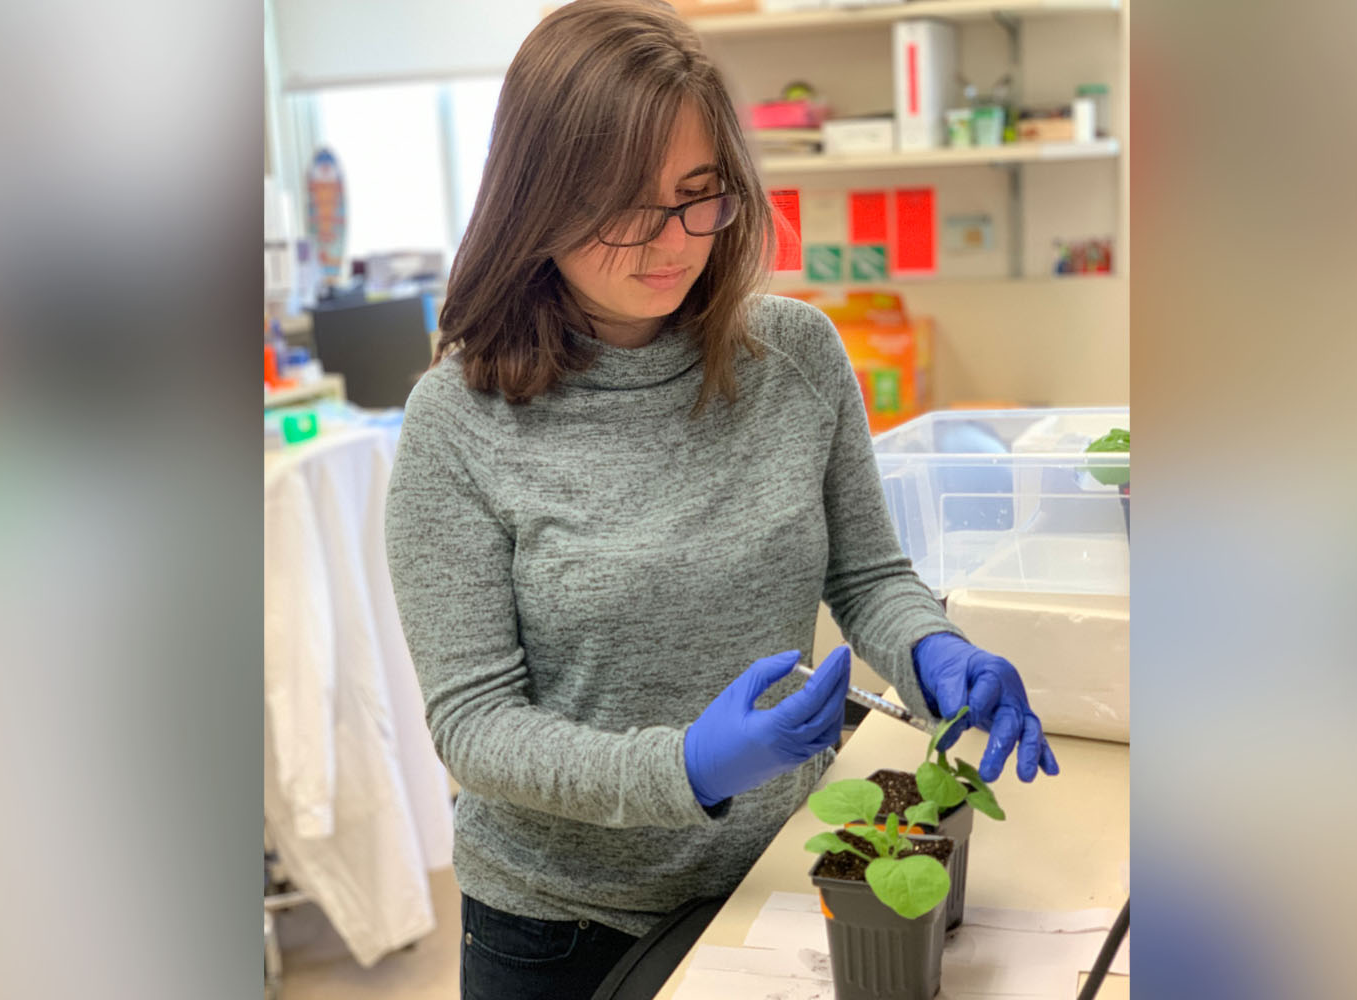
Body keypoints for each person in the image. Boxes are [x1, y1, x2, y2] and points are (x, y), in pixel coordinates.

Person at [383, 3, 1057, 997]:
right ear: (537, 199)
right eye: (625, 206)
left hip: (776, 880)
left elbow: (867, 574)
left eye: (700, 197)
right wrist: (686, 768)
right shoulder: (459, 421)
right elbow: (476, 726)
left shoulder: (795, 356)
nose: (672, 241)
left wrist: (931, 650)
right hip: (561, 928)